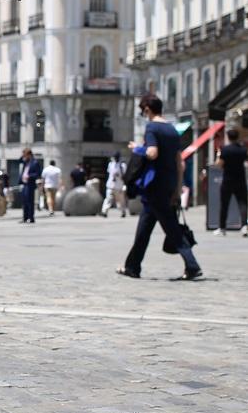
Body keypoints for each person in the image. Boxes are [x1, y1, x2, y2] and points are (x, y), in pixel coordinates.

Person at [118, 95, 202, 281]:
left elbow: (152, 153)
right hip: (168, 184)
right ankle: (132, 266)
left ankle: (192, 265)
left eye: (143, 111)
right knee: (145, 228)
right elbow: (180, 163)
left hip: (154, 185)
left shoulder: (152, 128)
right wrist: (177, 188)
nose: (143, 114)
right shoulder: (172, 129)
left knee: (171, 229)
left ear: (148, 109)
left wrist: (137, 148)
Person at [213, 127, 247, 237]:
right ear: (237, 137)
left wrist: (218, 155)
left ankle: (222, 228)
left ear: (228, 137)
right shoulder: (243, 149)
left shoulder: (225, 149)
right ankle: (244, 226)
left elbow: (218, 165)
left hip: (228, 180)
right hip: (240, 179)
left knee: (224, 204)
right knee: (242, 204)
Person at [18, 147, 42, 223]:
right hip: (25, 184)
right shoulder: (26, 162)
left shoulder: (35, 162)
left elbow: (38, 174)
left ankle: (31, 218)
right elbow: (19, 161)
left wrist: (29, 176)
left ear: (29, 154)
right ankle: (25, 217)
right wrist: (23, 156)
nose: (24, 156)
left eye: (25, 154)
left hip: (30, 184)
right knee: (24, 201)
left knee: (30, 201)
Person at [102, 151, 128, 217]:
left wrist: (119, 175)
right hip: (110, 185)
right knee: (108, 199)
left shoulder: (122, 165)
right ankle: (104, 212)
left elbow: (124, 175)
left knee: (120, 201)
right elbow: (109, 173)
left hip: (119, 186)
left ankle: (123, 212)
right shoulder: (111, 164)